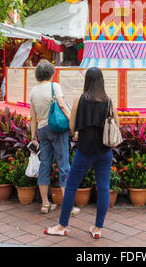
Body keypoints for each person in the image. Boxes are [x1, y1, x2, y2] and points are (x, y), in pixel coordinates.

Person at [44, 67, 120, 239]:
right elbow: (117, 124)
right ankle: (98, 228)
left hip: (84, 150)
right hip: (104, 150)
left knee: (71, 185)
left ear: (87, 80)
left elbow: (72, 127)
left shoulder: (80, 99)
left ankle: (62, 225)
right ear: (102, 81)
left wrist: (80, 130)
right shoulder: (108, 101)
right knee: (103, 188)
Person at [29, 59, 80, 215]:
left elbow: (32, 117)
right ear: (51, 73)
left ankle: (45, 204)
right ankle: (69, 206)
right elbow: (63, 106)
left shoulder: (33, 91)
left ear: (37, 75)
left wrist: (33, 137)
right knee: (63, 164)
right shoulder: (54, 86)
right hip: (57, 130)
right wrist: (74, 126)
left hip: (42, 131)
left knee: (45, 164)